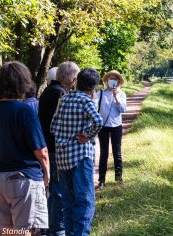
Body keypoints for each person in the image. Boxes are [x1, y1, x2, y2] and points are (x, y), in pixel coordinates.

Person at [0, 61, 50, 234]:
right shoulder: (24, 110)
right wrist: (47, 174)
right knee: (26, 231)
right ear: (22, 83)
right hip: (22, 179)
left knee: (9, 231)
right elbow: (41, 150)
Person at [51, 68, 103, 236]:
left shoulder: (64, 99)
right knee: (85, 201)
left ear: (77, 81)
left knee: (68, 202)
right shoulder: (86, 101)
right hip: (81, 156)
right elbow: (98, 121)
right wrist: (87, 136)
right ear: (94, 86)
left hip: (62, 158)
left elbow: (53, 126)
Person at [39, 62, 79, 236]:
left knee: (52, 189)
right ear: (70, 77)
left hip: (48, 145)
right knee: (59, 191)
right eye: (75, 76)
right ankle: (57, 229)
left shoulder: (47, 92)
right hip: (56, 148)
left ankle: (49, 225)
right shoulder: (60, 94)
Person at [96, 70, 127, 189]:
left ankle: (119, 178)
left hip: (116, 126)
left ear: (118, 81)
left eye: (114, 78)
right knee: (104, 153)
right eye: (110, 78)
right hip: (103, 126)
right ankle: (101, 180)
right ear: (106, 80)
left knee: (117, 153)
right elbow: (94, 106)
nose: (112, 80)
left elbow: (123, 110)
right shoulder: (101, 93)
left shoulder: (122, 94)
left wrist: (117, 98)